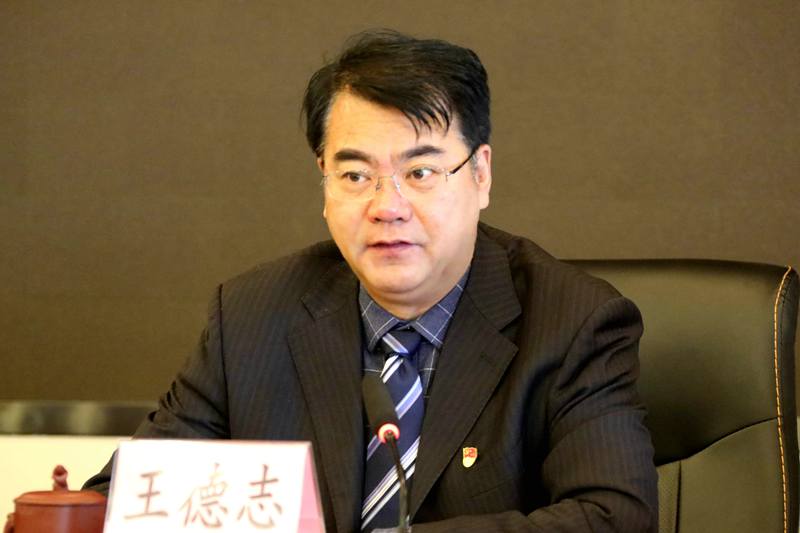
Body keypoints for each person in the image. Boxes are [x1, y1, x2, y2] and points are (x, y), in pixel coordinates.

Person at [85, 30, 658, 531]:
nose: (388, 207)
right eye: (356, 175)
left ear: (480, 174)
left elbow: (613, 516)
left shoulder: (572, 322)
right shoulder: (251, 317)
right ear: (324, 180)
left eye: (420, 171)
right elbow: (126, 502)